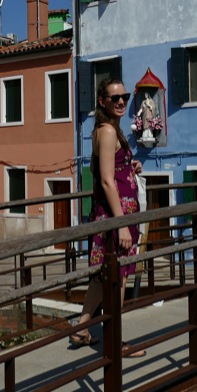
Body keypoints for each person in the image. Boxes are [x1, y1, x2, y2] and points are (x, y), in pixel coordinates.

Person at [71, 78, 145, 357]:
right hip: (117, 218)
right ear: (102, 102)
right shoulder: (108, 131)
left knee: (101, 278)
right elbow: (105, 180)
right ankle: (115, 342)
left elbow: (110, 169)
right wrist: (122, 225)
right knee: (119, 279)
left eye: (124, 96)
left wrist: (129, 164)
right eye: (114, 98)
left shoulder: (107, 130)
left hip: (110, 216)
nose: (121, 101)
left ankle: (82, 328)